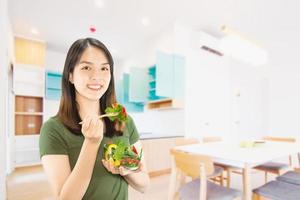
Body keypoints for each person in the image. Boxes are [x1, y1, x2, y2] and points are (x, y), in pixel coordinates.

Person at [39, 37, 150, 200]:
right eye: (86, 67)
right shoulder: (53, 129)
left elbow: (145, 185)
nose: (97, 76)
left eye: (104, 69)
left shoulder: (125, 121)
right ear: (70, 75)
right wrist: (91, 143)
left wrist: (126, 170)